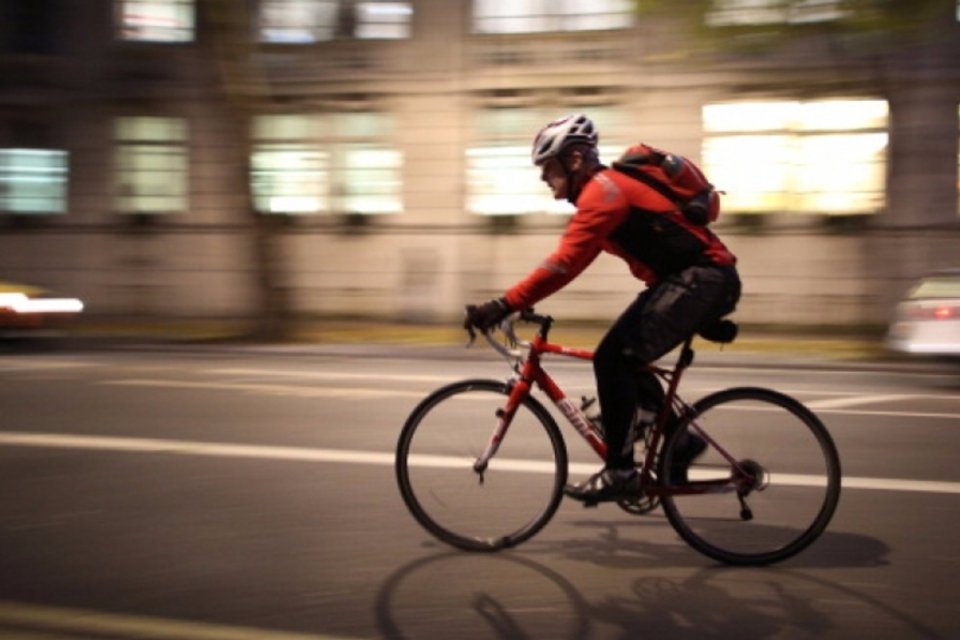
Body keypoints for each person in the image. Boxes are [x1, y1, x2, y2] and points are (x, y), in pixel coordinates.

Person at [463, 113, 741, 504]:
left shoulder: (604, 193)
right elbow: (576, 266)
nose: (545, 178)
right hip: (694, 282)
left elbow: (563, 264)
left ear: (575, 159)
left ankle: (621, 471)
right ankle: (678, 441)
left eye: (549, 167)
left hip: (702, 280)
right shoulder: (607, 194)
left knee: (613, 359)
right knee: (625, 355)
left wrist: (503, 304)